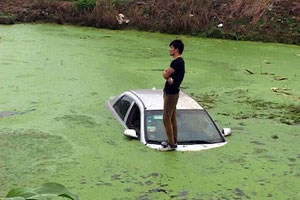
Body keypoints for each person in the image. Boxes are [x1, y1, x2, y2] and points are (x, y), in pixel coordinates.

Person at [161, 39, 185, 151]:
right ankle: (173, 140)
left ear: (176, 49)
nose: (170, 50)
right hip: (173, 92)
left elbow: (166, 75)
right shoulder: (181, 62)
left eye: (171, 47)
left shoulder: (176, 62)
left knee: (166, 119)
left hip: (171, 94)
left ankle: (171, 144)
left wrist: (165, 73)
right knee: (172, 117)